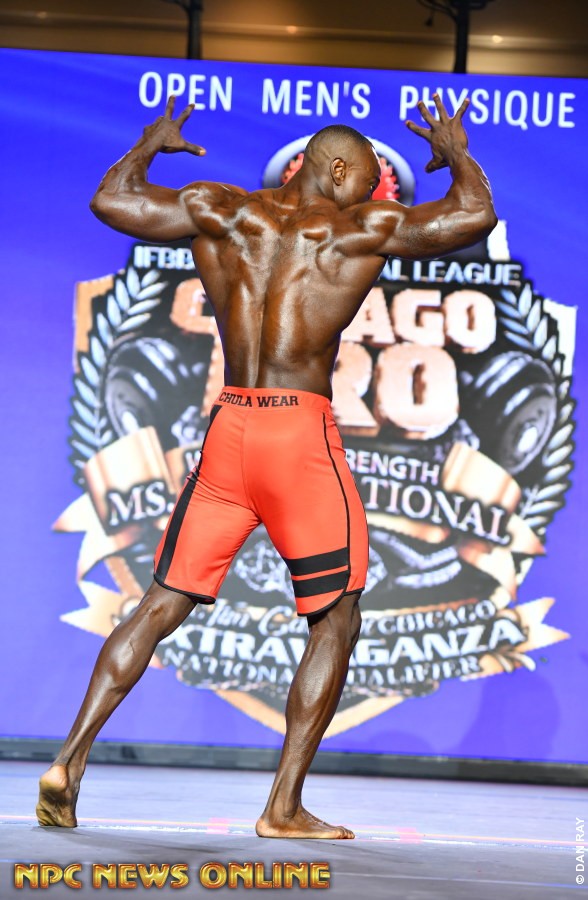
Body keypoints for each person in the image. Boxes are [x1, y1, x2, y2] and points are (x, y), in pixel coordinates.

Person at [37, 93, 496, 839]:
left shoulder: (220, 209)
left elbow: (111, 200)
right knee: (337, 616)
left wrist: (148, 145)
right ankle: (282, 807)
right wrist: (456, 153)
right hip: (298, 436)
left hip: (231, 428)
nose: (373, 193)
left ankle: (67, 762)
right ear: (338, 171)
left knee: (159, 602)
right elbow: (473, 215)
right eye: (369, 179)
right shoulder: (357, 228)